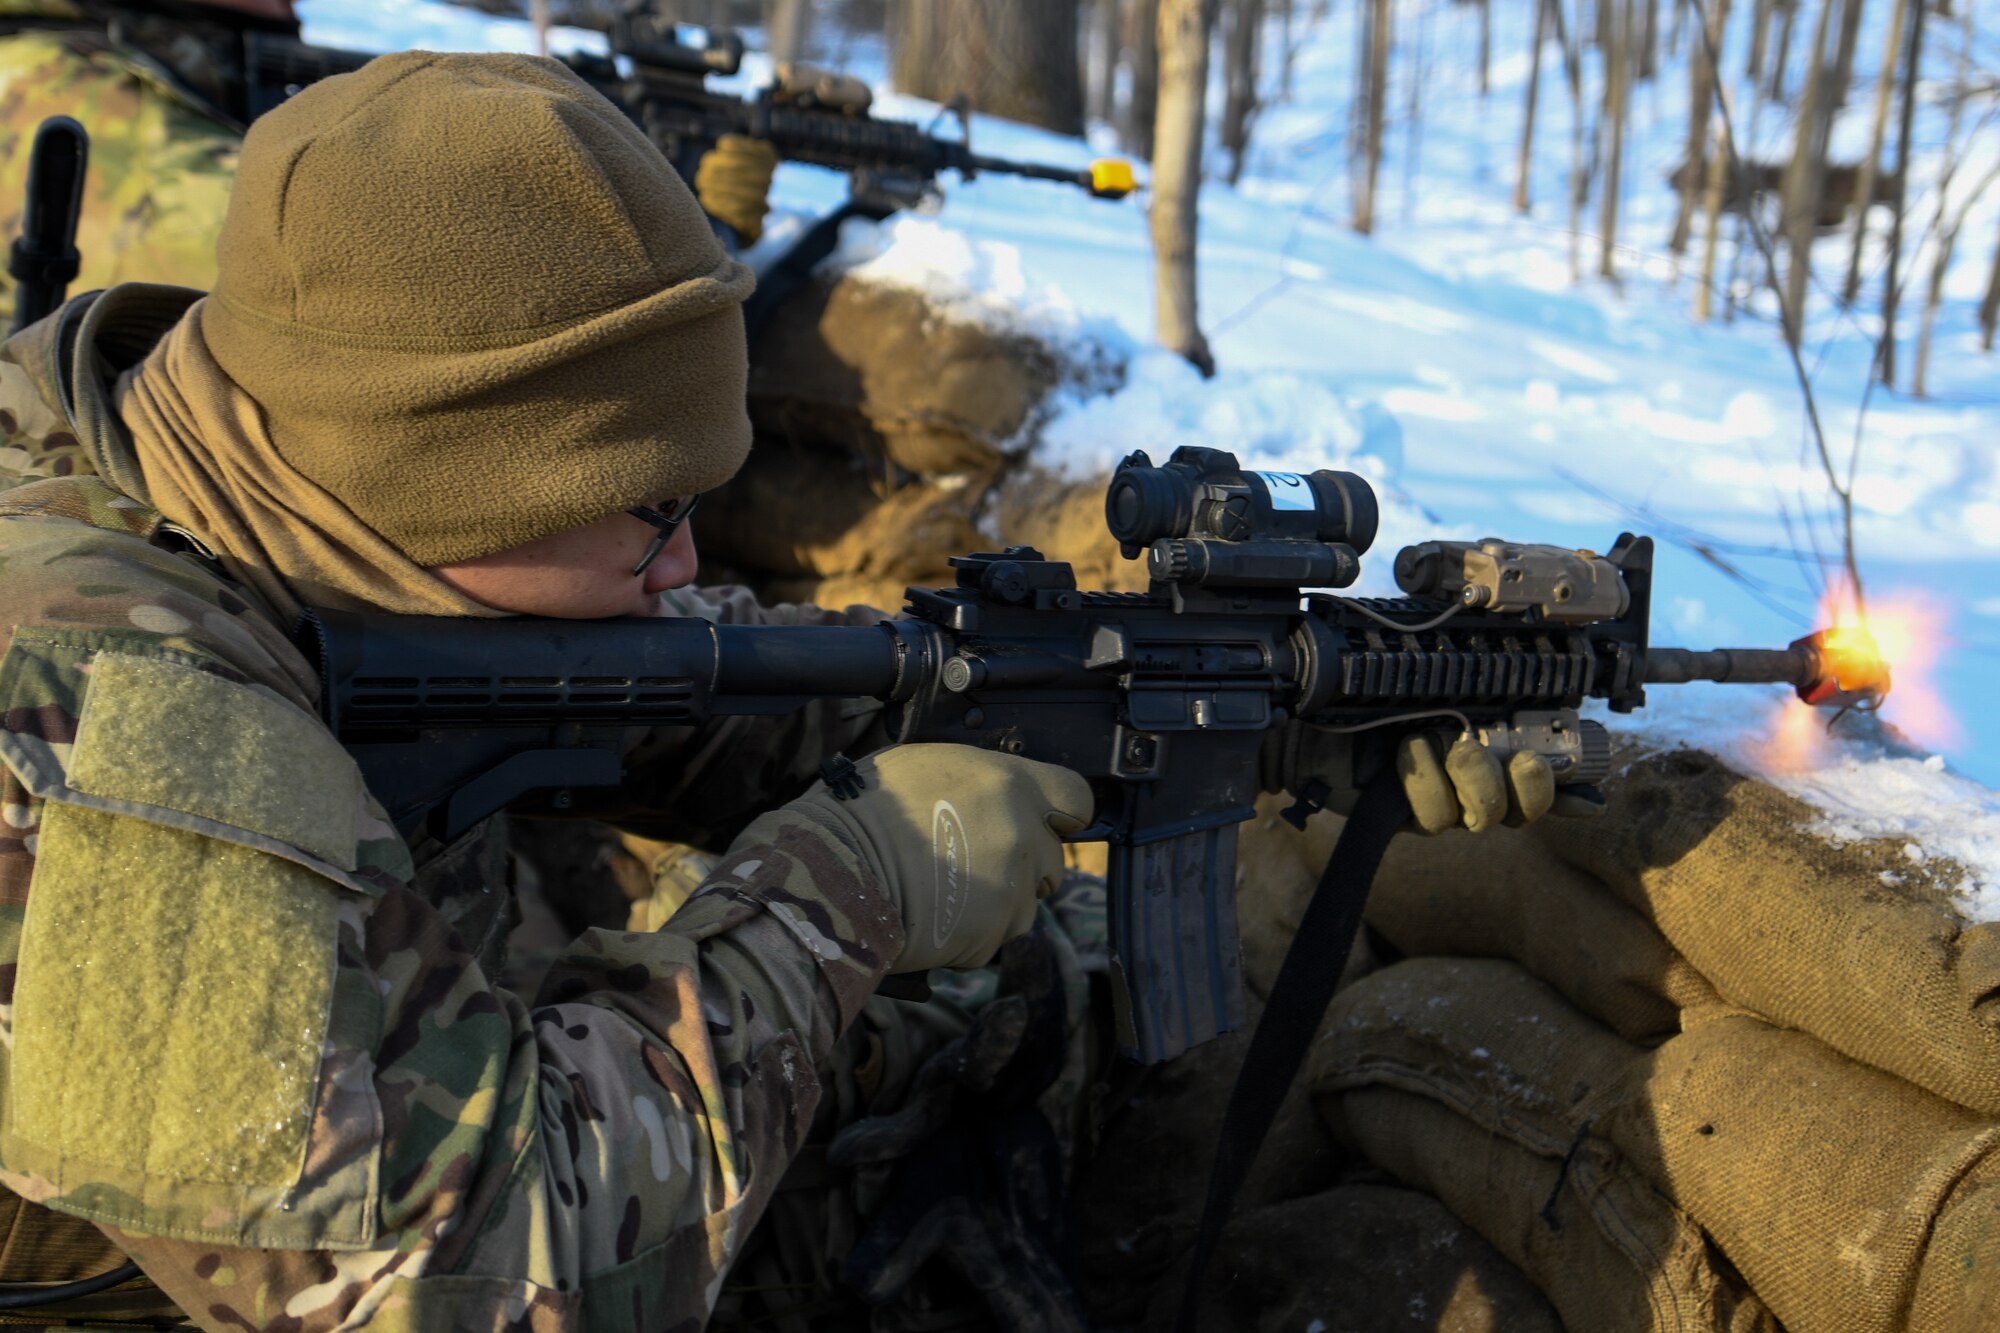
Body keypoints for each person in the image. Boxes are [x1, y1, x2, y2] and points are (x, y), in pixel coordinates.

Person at [0, 48, 1547, 1332]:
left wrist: (1250, 728)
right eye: (651, 508)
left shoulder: (277, 487)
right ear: (446, 483)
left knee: (983, 995)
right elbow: (471, 1284)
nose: (690, 567)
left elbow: (693, 683)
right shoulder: (109, 708)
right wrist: (851, 886)